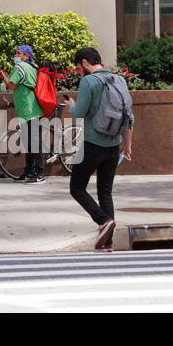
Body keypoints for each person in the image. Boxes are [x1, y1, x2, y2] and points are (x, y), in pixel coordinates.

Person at [66, 47, 135, 251]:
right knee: (105, 192)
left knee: (76, 187)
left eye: (79, 67)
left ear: (86, 62)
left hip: (92, 145)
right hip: (114, 145)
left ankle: (103, 220)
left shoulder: (89, 81)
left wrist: (70, 104)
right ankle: (108, 242)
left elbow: (79, 112)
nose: (80, 71)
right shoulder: (119, 80)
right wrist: (128, 143)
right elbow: (129, 116)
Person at [0, 44, 44, 182]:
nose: (16, 56)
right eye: (16, 53)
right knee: (30, 142)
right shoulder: (32, 68)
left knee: (34, 142)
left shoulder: (19, 67)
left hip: (28, 110)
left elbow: (11, 85)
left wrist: (3, 76)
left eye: (19, 53)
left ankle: (40, 173)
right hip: (32, 109)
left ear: (26, 56)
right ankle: (29, 172)